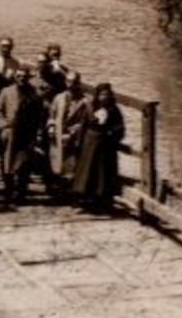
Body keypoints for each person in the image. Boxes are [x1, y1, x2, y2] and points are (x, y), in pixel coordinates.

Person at [72, 83, 126, 212]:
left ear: (110, 96)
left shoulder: (114, 109)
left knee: (102, 174)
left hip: (105, 146)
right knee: (87, 172)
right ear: (97, 95)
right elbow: (83, 125)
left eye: (106, 95)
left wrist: (110, 133)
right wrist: (79, 142)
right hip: (89, 144)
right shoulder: (90, 107)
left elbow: (120, 128)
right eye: (101, 94)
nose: (104, 97)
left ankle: (102, 201)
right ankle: (83, 202)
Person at [0, 69, 45, 204]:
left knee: (24, 163)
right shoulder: (6, 91)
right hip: (10, 132)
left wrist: (37, 135)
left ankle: (21, 192)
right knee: (7, 162)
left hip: (26, 133)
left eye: (24, 76)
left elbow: (40, 116)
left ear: (28, 77)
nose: (21, 78)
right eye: (18, 76)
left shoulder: (34, 93)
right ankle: (8, 191)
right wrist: (4, 126)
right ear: (15, 77)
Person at [49, 71, 90, 190]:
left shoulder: (84, 101)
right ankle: (57, 185)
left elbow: (83, 122)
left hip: (73, 137)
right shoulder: (58, 98)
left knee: (70, 164)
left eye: (74, 82)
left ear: (79, 83)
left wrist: (71, 133)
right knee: (56, 162)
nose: (71, 85)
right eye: (68, 81)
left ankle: (69, 187)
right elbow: (52, 115)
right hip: (58, 134)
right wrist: (51, 126)